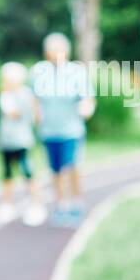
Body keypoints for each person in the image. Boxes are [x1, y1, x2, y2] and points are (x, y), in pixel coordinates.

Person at [31, 32, 93, 226]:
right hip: (49, 130)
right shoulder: (38, 71)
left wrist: (86, 108)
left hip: (71, 129)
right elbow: (34, 98)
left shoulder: (77, 71)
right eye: (52, 50)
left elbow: (88, 99)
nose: (56, 53)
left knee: (71, 167)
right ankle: (61, 205)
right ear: (46, 53)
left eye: (60, 50)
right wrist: (36, 116)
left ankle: (76, 202)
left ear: (67, 51)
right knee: (55, 170)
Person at [0, 61, 46, 226]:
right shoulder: (6, 95)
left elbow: (17, 114)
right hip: (5, 140)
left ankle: (37, 205)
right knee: (7, 173)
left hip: (22, 140)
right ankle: (6, 204)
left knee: (27, 173)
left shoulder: (25, 95)